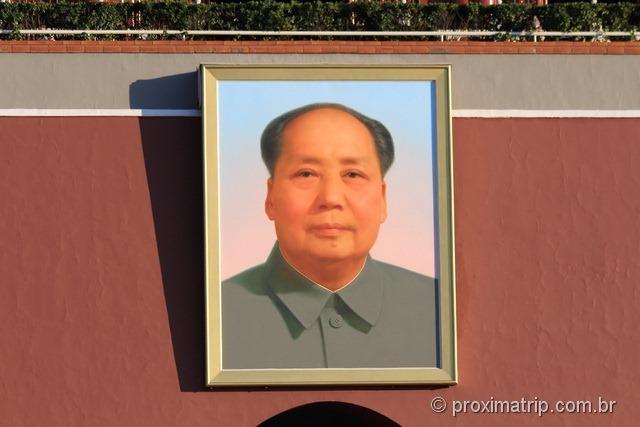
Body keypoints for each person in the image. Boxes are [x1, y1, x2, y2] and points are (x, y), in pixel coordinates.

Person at [222, 103, 438, 369]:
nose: (331, 198)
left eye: (352, 174)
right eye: (306, 174)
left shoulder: (438, 309)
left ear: (382, 199)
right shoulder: (217, 314)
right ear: (270, 198)